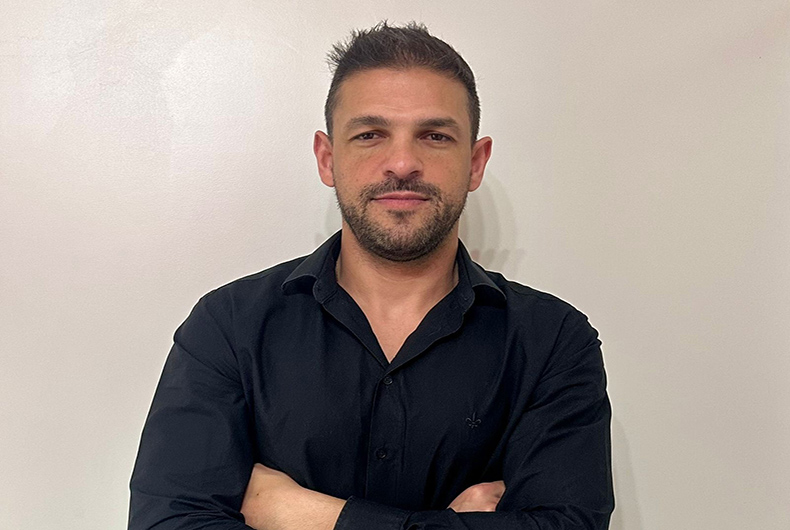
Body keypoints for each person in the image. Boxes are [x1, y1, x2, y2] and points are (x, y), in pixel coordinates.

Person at [128, 21, 614, 530]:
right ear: (327, 159)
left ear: (475, 163)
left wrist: (310, 515)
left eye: (434, 136)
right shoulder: (229, 326)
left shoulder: (553, 342)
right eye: (369, 135)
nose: (402, 163)